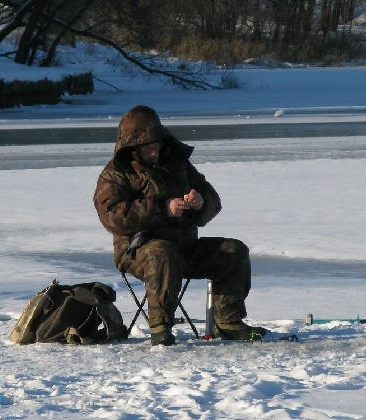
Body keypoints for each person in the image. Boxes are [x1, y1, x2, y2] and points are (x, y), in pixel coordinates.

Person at [93, 105, 268, 345]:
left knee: (234, 251)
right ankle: (160, 327)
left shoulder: (178, 164)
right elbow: (113, 216)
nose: (154, 152)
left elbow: (212, 198)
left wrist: (201, 202)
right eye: (147, 148)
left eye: (156, 145)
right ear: (132, 147)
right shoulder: (115, 174)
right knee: (162, 252)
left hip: (186, 247)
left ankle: (228, 322)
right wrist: (163, 208)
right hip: (137, 251)